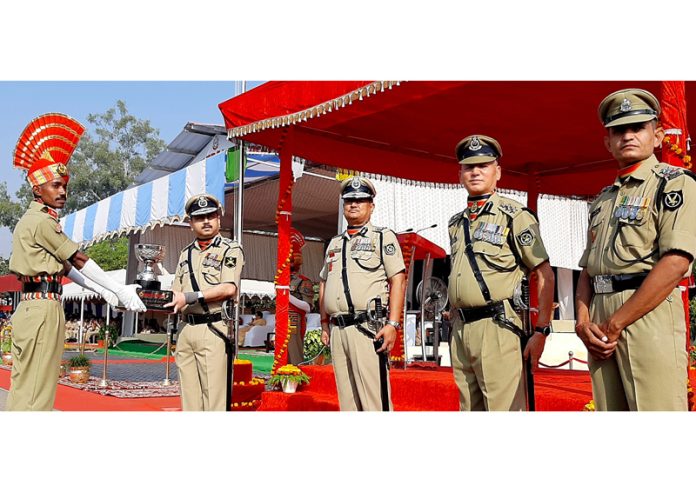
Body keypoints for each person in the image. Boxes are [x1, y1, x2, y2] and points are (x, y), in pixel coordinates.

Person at [7, 113, 146, 411]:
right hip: (41, 306)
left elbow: (66, 268)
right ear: (37, 189)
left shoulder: (39, 221)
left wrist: (106, 292)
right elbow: (78, 258)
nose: (62, 192)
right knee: (35, 392)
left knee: (32, 386)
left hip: (41, 302)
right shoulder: (42, 222)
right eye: (56, 185)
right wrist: (118, 289)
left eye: (64, 186)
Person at [575, 88, 696, 411]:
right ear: (608, 141)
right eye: (618, 130)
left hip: (645, 312)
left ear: (657, 136)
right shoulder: (603, 199)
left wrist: (616, 323)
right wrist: (582, 320)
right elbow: (588, 267)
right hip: (600, 319)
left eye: (637, 128)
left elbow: (676, 262)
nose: (627, 136)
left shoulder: (673, 184)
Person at [447, 134, 555, 411]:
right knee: (469, 409)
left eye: (483, 165)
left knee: (503, 409)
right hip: (461, 329)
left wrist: (542, 329)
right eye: (469, 167)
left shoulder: (514, 215)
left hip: (498, 325)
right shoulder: (456, 223)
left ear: (498, 172)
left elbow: (543, 273)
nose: (475, 172)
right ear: (460, 173)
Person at [319, 176, 406, 411]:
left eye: (360, 200)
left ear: (371, 206)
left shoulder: (381, 237)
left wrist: (393, 324)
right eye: (349, 200)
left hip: (366, 327)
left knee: (373, 399)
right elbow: (324, 283)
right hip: (338, 330)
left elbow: (397, 279)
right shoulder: (335, 243)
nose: (354, 204)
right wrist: (324, 323)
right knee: (347, 401)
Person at [165, 193, 244, 411]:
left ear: (219, 218)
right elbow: (176, 290)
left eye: (211, 215)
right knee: (189, 397)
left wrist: (190, 297)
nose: (206, 221)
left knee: (214, 397)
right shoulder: (185, 254)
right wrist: (156, 300)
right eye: (200, 218)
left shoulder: (229, 249)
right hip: (185, 329)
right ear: (190, 223)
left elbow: (229, 288)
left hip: (212, 327)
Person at [287, 227, 315, 364]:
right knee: (281, 355)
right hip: (281, 319)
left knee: (294, 354)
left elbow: (307, 307)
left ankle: (295, 380)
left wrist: (287, 296)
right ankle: (281, 381)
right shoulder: (282, 279)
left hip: (294, 321)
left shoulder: (304, 281)